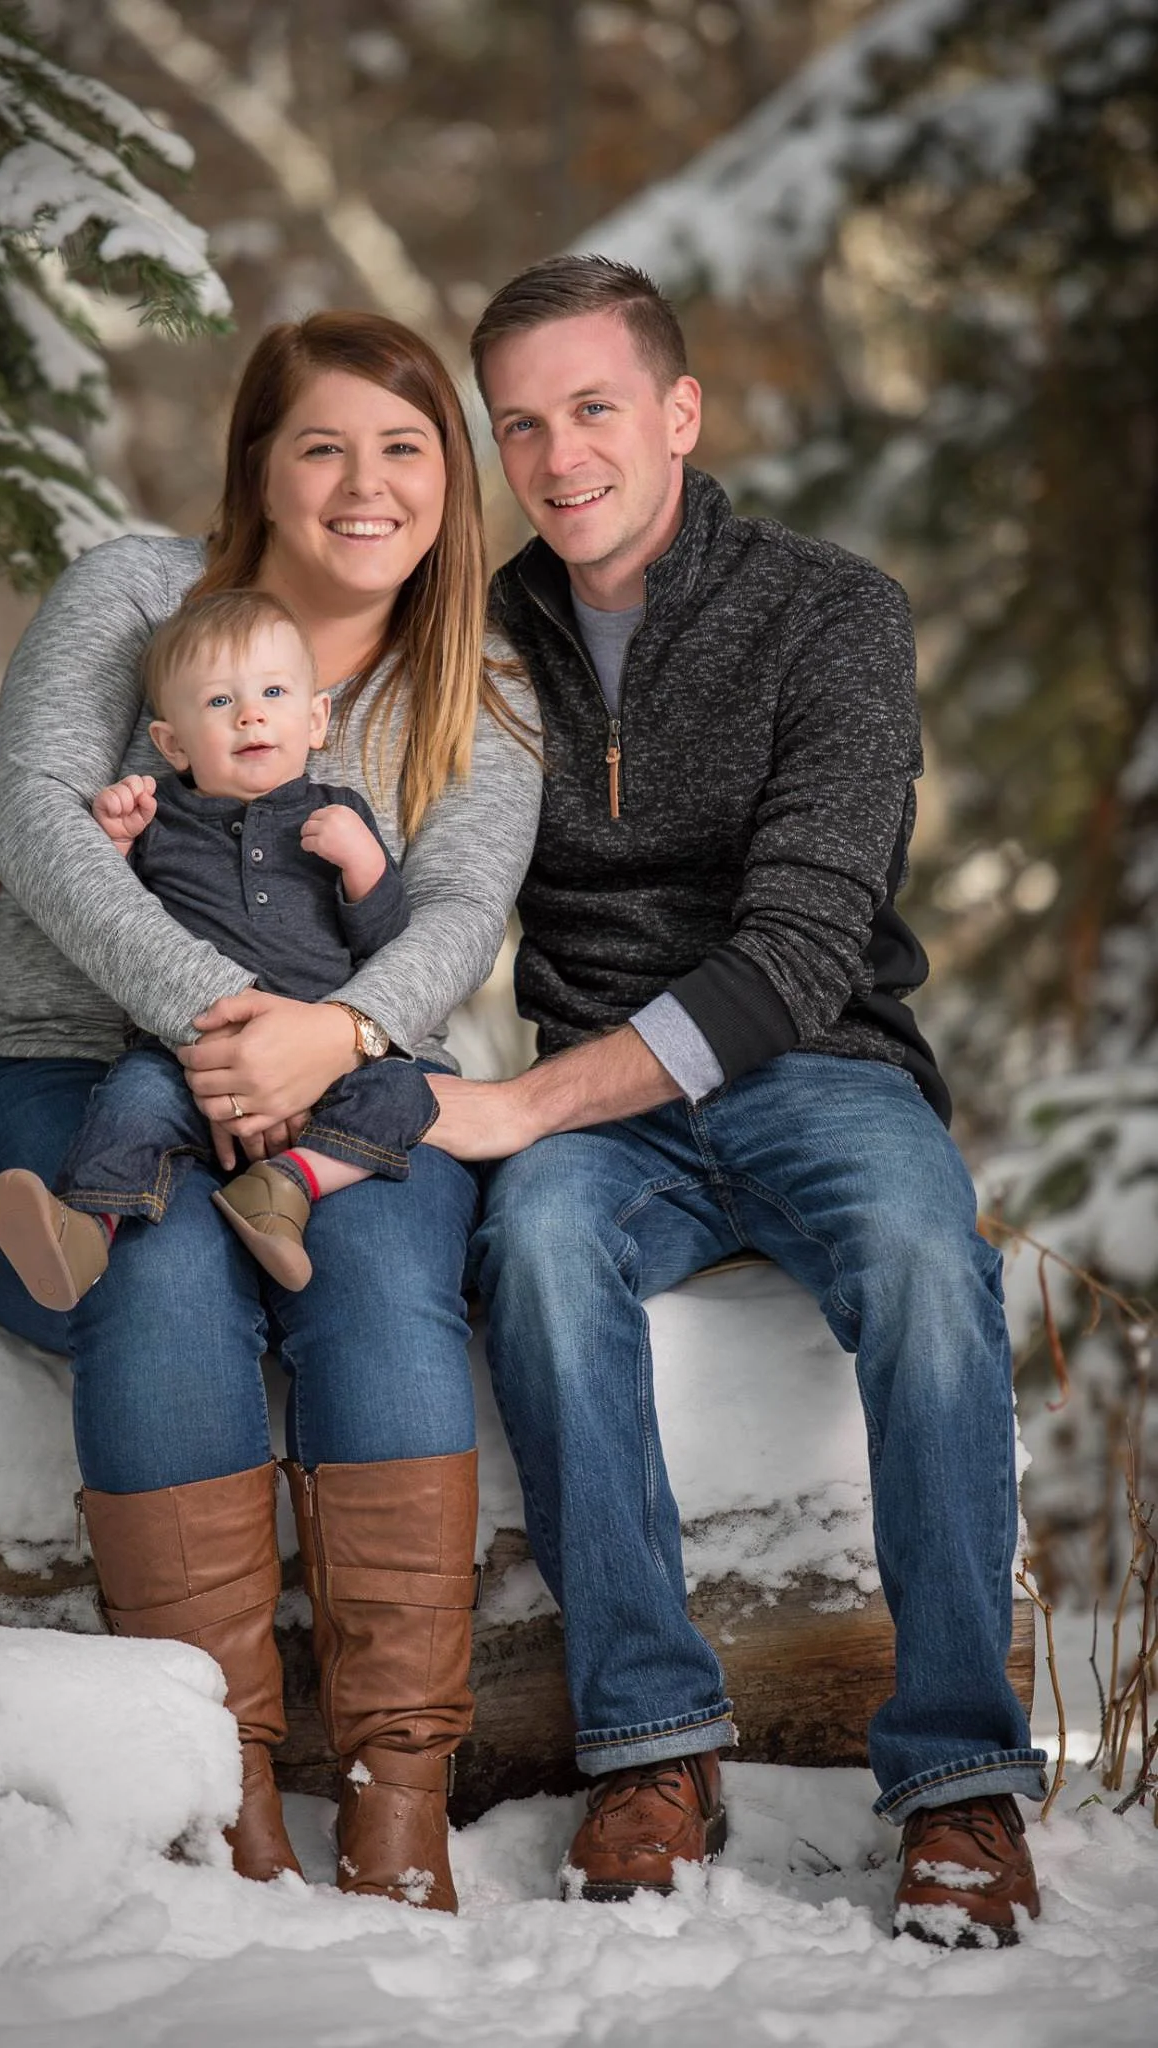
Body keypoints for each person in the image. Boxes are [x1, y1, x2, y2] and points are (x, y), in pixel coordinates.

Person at [425, 255, 1048, 1947]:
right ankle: (651, 1744)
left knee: (928, 1259)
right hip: (605, 1111)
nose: (558, 459)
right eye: (521, 427)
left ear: (681, 412)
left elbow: (798, 949)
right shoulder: (476, 636)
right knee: (539, 1256)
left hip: (816, 1063)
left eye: (595, 409)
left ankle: (958, 1778)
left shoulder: (831, 610)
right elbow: (407, 873)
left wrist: (518, 1101)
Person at [0, 312, 541, 1914]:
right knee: (167, 1264)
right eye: (321, 443)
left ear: (450, 481)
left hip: (344, 1080)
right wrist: (218, 1017)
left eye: (405, 448)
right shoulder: (132, 596)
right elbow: (36, 820)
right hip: (55, 1078)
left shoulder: (481, 680)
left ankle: (399, 1785)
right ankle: (223, 1792)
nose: (363, 483)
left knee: (383, 1280)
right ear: (256, 459)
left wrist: (323, 1035)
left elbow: (455, 917)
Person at [0, 587, 437, 1303]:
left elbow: (385, 943)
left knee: (407, 1091)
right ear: (173, 742)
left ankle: (286, 1185)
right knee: (129, 1101)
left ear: (315, 719)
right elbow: (101, 918)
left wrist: (365, 869)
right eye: (219, 703)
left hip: (320, 1061)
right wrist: (115, 843)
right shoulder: (162, 818)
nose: (251, 714)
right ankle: (84, 1231)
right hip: (183, 1059)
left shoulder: (339, 813)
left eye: (274, 692)